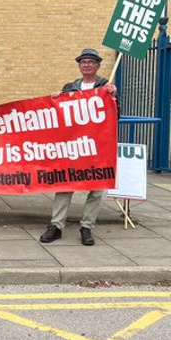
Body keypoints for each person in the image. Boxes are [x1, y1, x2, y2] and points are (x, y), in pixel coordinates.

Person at [39, 48, 118, 246]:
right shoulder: (70, 88)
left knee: (96, 188)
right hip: (73, 147)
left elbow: (115, 116)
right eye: (83, 62)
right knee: (65, 184)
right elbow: (59, 117)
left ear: (98, 65)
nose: (87, 65)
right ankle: (56, 226)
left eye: (91, 62)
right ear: (79, 66)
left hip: (97, 147)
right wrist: (56, 99)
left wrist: (114, 99)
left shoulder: (106, 87)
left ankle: (87, 227)